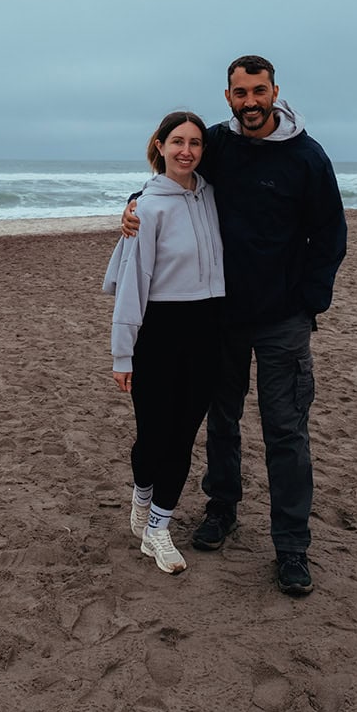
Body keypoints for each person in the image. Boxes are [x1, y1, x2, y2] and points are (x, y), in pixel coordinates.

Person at [122, 55, 346, 595]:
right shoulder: (218, 145)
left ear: (274, 92)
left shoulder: (307, 157)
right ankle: (221, 509)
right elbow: (174, 177)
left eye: (259, 91)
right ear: (228, 97)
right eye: (240, 93)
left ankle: (292, 546)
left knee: (286, 432)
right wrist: (132, 203)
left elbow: (331, 235)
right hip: (221, 318)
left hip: (283, 323)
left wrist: (308, 304)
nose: (250, 102)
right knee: (221, 423)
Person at [103, 111, 225, 574]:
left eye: (195, 143)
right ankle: (142, 494)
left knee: (183, 436)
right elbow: (134, 282)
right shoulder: (147, 208)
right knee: (152, 435)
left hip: (208, 327)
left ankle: (158, 528)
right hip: (160, 330)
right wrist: (122, 351)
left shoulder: (214, 197)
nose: (187, 151)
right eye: (177, 141)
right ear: (159, 145)